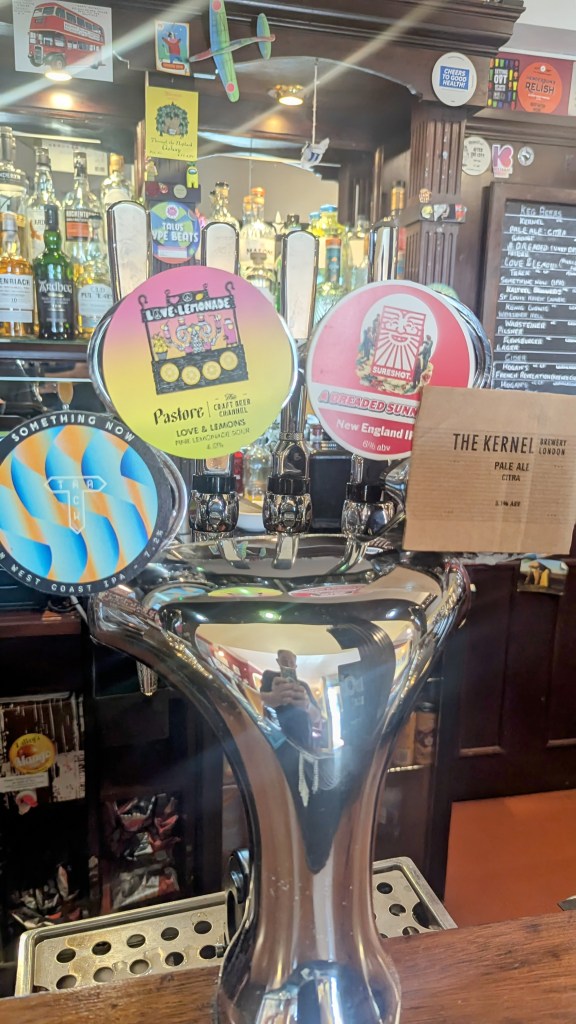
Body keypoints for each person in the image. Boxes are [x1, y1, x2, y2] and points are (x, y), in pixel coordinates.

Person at [260, 650, 322, 749]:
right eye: (284, 661)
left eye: (291, 662)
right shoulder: (269, 676)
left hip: (305, 739)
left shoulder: (304, 686)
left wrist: (308, 706)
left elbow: (317, 717)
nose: (288, 665)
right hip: (278, 739)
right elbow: (256, 699)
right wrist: (272, 697)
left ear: (295, 666)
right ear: (278, 661)